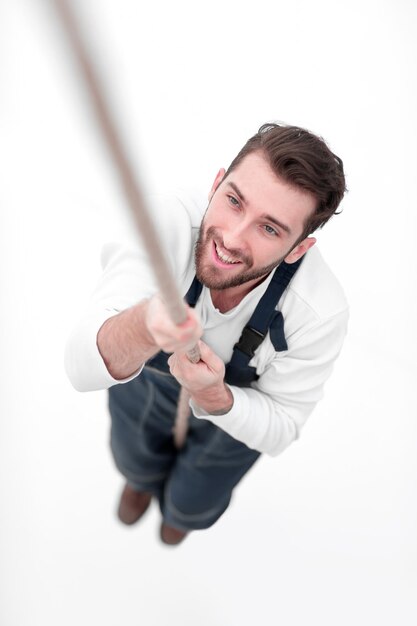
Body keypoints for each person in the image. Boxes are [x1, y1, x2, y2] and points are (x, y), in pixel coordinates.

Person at [65, 123, 349, 546]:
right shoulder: (167, 223)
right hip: (143, 388)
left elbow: (282, 426)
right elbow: (80, 367)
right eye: (234, 201)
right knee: (133, 456)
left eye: (269, 228)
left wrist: (217, 397)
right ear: (217, 184)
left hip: (231, 428)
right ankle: (141, 480)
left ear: (297, 249)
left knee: (196, 499)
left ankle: (181, 515)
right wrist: (146, 324)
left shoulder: (318, 310)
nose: (232, 239)